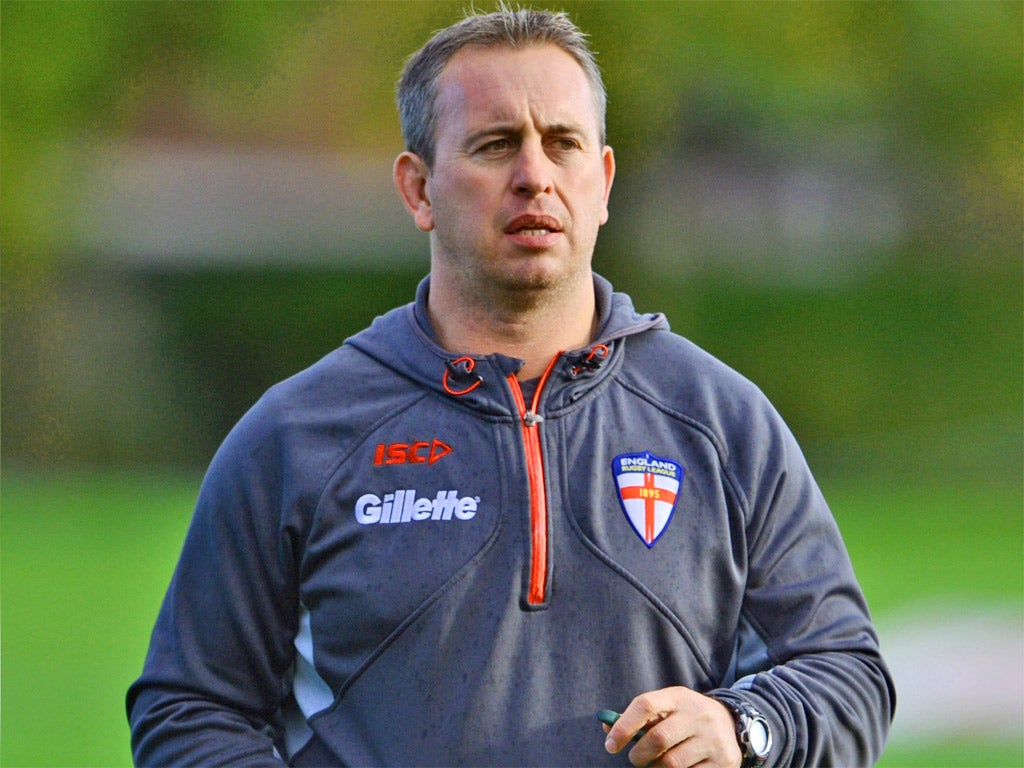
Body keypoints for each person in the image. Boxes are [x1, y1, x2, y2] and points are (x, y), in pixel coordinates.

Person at [127, 6, 895, 767]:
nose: (534, 176)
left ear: (601, 180)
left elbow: (849, 675)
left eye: (562, 144)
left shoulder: (722, 424)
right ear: (418, 189)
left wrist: (742, 727)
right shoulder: (298, 437)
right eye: (495, 146)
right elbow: (189, 709)